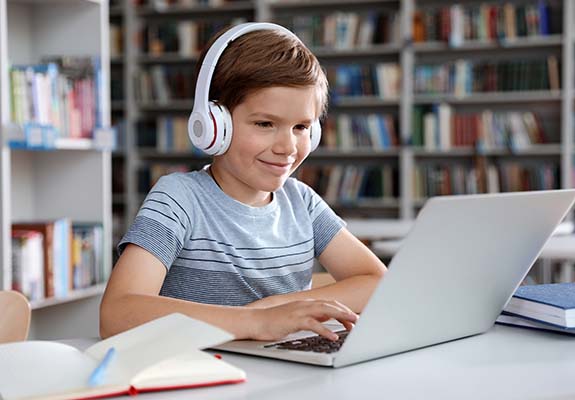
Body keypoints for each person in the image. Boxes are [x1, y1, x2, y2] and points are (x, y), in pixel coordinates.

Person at [100, 23, 387, 342]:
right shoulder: (180, 199)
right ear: (213, 125)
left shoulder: (301, 202)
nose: (288, 147)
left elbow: (375, 278)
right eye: (265, 124)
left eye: (301, 127)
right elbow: (116, 313)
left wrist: (280, 307)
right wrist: (255, 321)